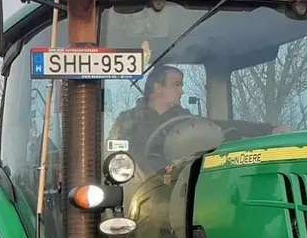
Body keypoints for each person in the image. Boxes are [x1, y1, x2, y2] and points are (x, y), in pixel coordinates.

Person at [107, 65, 289, 173]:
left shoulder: (186, 121)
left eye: (181, 85)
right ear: (158, 87)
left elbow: (222, 126)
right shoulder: (128, 121)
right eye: (176, 85)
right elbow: (112, 154)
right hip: (140, 191)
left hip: (178, 189)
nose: (182, 91)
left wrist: (268, 130)